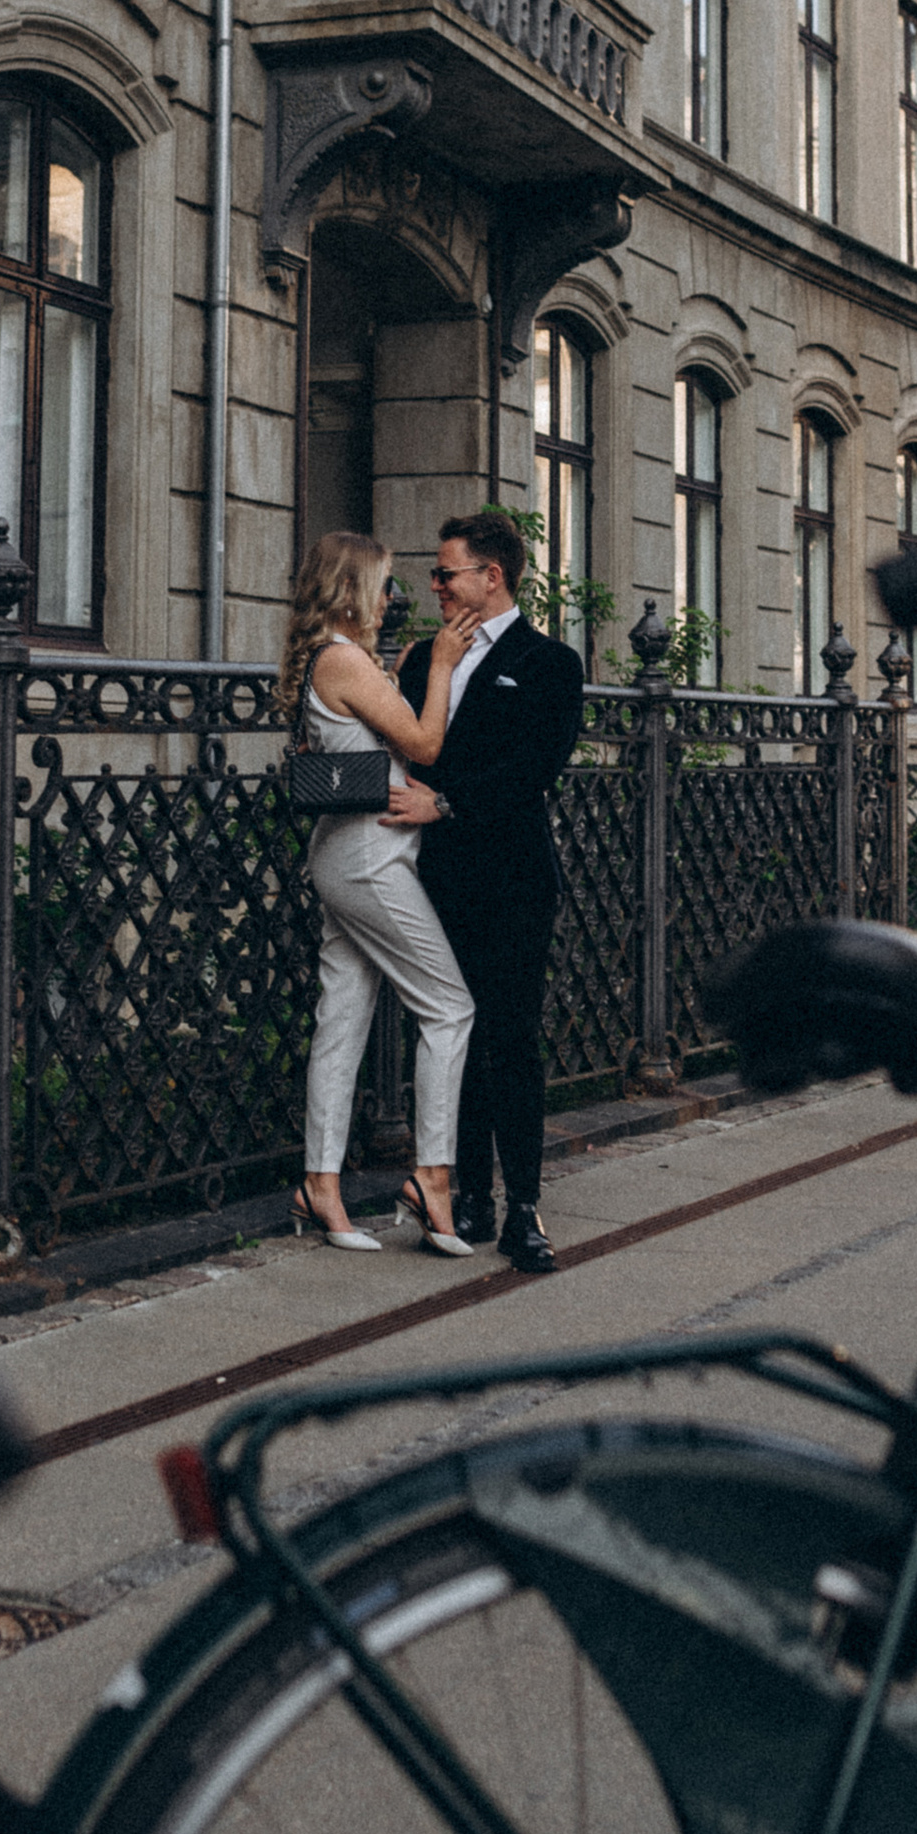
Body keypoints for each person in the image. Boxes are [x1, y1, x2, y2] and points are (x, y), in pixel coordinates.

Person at [386, 510, 586, 1275]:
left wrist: (446, 802)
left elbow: (535, 766)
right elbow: (405, 746)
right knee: (454, 1036)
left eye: (446, 573)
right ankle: (469, 1195)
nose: (435, 585)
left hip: (513, 878)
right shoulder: (423, 659)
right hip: (435, 877)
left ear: (490, 575)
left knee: (513, 1038)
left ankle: (524, 1207)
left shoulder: (548, 661)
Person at [277, 532, 481, 1253]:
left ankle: (320, 1185)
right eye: (386, 585)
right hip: (370, 858)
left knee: (343, 1017)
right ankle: (433, 1178)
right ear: (352, 589)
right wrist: (443, 666)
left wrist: (396, 675)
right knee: (450, 1008)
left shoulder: (337, 658)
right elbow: (424, 746)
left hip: (348, 852)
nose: (394, 599)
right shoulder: (342, 660)